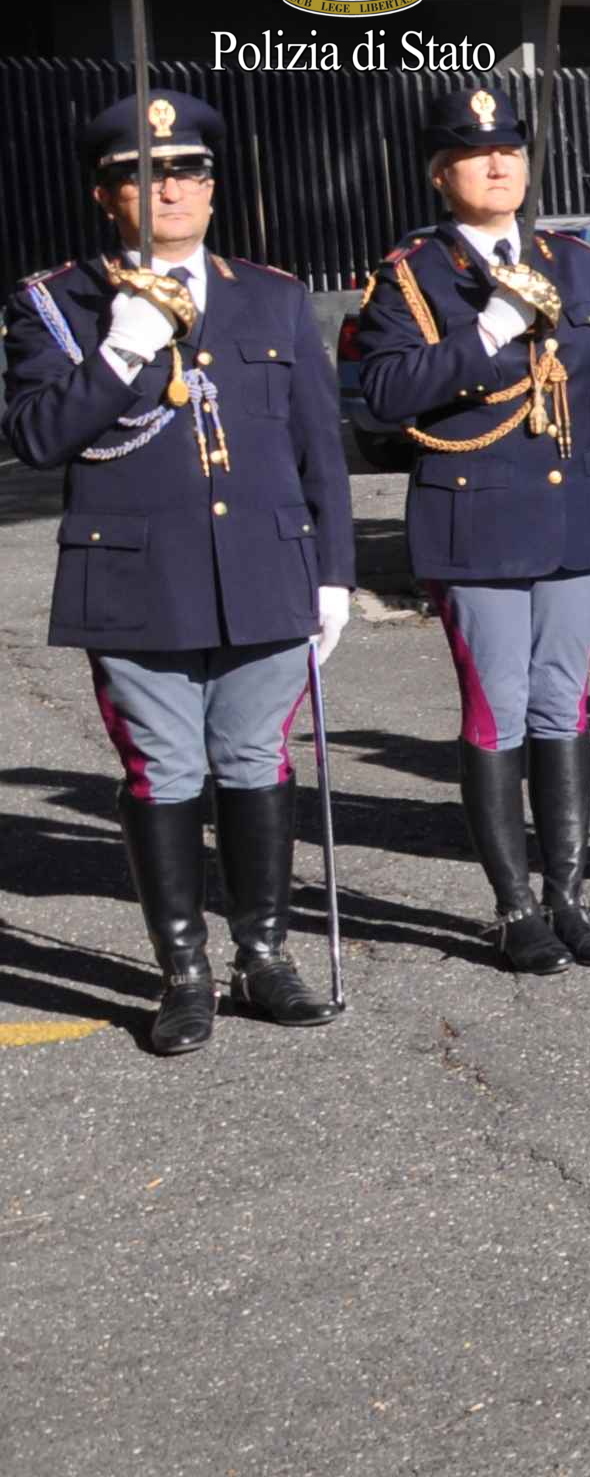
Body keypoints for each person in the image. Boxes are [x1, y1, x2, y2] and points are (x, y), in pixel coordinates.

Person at [6, 90, 347, 1052]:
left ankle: (264, 955)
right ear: (104, 194)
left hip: (266, 569)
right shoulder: (56, 301)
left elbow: (319, 447)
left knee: (253, 762)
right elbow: (35, 436)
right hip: (136, 580)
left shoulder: (271, 294)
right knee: (165, 771)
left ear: (212, 184)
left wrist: (335, 573)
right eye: (142, 175)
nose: (171, 189)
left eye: (189, 170)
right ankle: (184, 974)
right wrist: (122, 348)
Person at [349, 84, 590, 972]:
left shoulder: (573, 261)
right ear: (443, 175)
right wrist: (487, 331)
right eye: (477, 154)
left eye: (511, 150)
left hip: (575, 515)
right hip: (475, 518)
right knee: (498, 708)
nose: (498, 164)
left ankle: (567, 895)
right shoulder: (411, 275)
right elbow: (383, 397)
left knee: (564, 705)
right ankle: (513, 908)